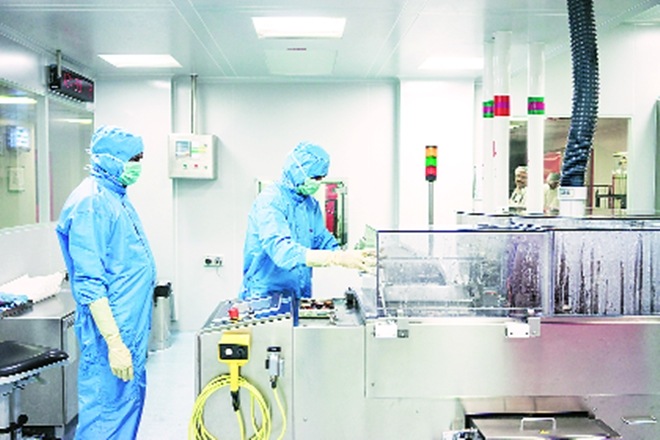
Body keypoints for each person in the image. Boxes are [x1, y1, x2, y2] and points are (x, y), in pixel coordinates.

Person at [56, 126, 156, 439]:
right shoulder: (91, 203)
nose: (137, 165)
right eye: (133, 158)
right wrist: (114, 342)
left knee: (124, 408)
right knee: (105, 416)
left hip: (129, 327)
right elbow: (90, 282)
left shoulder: (115, 196)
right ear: (110, 159)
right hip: (111, 331)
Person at [239, 141, 375, 301]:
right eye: (315, 177)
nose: (318, 182)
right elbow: (281, 251)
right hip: (265, 296)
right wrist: (335, 258)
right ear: (298, 171)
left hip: (299, 293)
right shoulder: (271, 200)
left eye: (322, 178)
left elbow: (322, 239)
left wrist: (350, 255)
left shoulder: (310, 204)